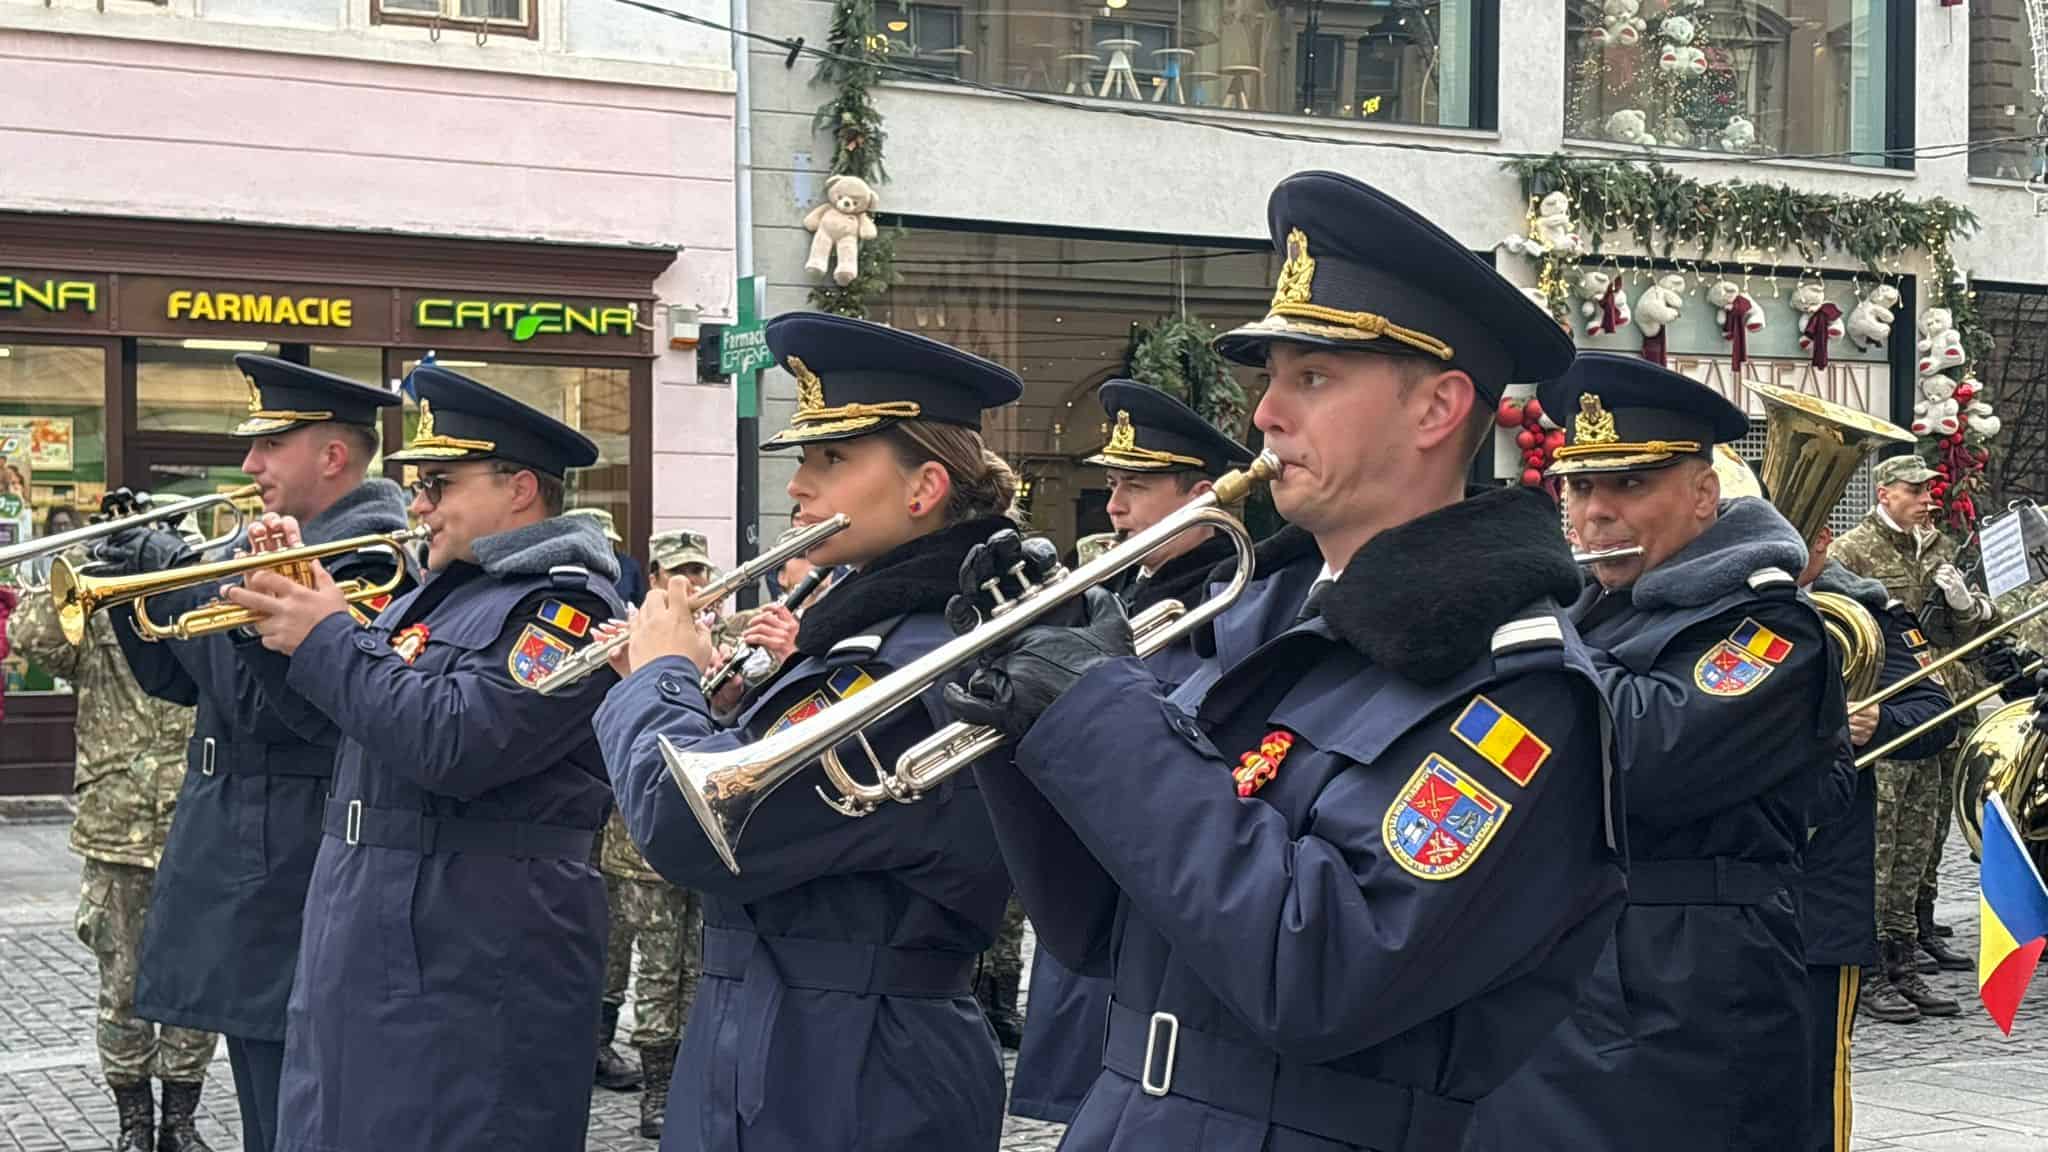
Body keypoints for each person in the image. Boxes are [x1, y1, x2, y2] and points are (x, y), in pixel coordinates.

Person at [946, 171, 1621, 1152]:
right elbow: (1100, 927)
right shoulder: (1273, 622)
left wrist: (1096, 714)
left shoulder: (1516, 690)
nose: (1263, 414)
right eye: (1269, 377)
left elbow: (1318, 976)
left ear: (1436, 408)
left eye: (1310, 377)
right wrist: (1022, 720)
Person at [595, 312, 1020, 1152]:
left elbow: (691, 828)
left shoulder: (916, 657)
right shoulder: (864, 630)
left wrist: (660, 681)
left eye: (830, 459)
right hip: (783, 1031)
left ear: (923, 489)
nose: (798, 487)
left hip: (854, 1067)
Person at [218, 364, 624, 1152]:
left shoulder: (565, 608)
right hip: (371, 924)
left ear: (521, 490)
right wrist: (277, 620)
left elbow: (457, 743)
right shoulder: (431, 594)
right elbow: (341, 725)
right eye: (417, 484)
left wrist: (329, 636)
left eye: (439, 483)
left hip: (473, 945)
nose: (419, 503)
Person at [1466, 353, 1844, 1150]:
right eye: (1579, 485)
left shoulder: (1769, 626)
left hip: (1685, 982)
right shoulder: (1594, 610)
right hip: (1561, 962)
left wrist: (1520, 630)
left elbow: (1637, 752)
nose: (1595, 511)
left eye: (1630, 485)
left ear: (1704, 496)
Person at [103, 355, 407, 1152]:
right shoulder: (280, 543)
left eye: (270, 445)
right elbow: (181, 683)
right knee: (262, 1091)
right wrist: (133, 599)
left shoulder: (366, 555)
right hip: (245, 849)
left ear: (332, 456)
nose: (248, 466)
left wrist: (177, 582)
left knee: (292, 1103)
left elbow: (271, 706)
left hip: (290, 859)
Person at [1007, 378, 1254, 1125]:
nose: (1112, 507)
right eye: (1113, 484)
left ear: (1202, 497)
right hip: (1089, 898)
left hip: (1159, 898)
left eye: (1136, 487)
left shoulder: (1235, 606)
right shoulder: (1117, 596)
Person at [9, 556, 218, 1152]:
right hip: (115, 828)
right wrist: (86, 565)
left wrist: (181, 564)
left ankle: (181, 1120)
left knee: (192, 986)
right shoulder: (93, 612)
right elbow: (27, 639)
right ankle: (134, 1121)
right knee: (121, 990)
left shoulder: (196, 603)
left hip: (192, 825)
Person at [1796, 528, 1955, 1149]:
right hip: (1715, 884)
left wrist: (1879, 719)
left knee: (1812, 1075)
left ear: (1823, 544)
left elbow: (1933, 712)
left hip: (1820, 875)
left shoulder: (1864, 611)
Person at [1830, 455, 1985, 987]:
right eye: (1914, 491)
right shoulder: (1852, 550)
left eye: (1928, 490)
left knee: (1926, 831)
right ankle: (1872, 955)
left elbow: (1964, 631)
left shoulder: (1941, 546)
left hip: (1942, 702)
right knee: (1883, 837)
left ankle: (1909, 939)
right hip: (1885, 705)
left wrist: (1964, 604)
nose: (1925, 499)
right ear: (1884, 494)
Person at [571, 506, 647, 606]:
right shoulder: (563, 568)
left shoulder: (628, 566)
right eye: (597, 541)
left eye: (609, 540)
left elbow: (639, 605)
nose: (604, 545)